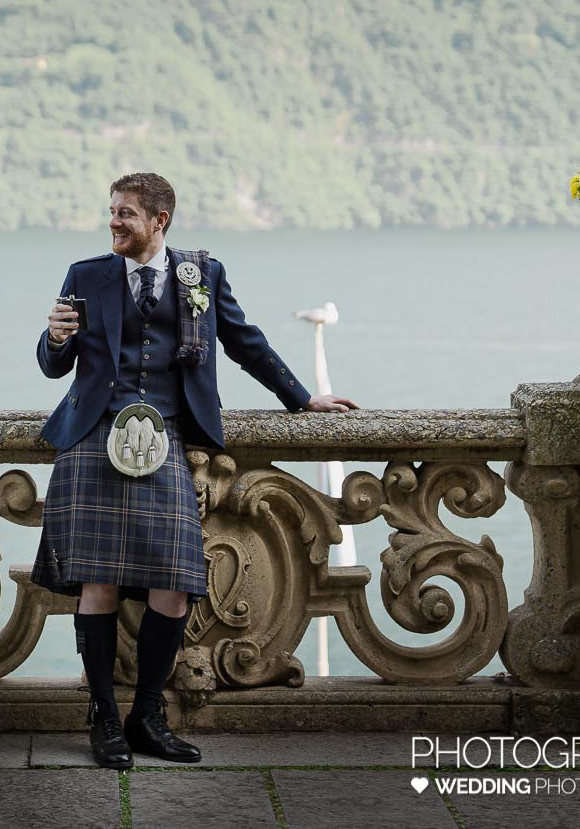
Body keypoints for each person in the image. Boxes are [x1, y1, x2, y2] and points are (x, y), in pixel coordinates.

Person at [31, 173, 357, 769]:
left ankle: (147, 716)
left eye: (126, 214)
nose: (114, 223)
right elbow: (55, 364)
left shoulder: (200, 274)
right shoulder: (87, 275)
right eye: (111, 212)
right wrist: (52, 338)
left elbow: (244, 341)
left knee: (176, 585)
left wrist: (302, 398)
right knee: (99, 584)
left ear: (160, 221)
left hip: (167, 440)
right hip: (94, 437)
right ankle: (104, 717)